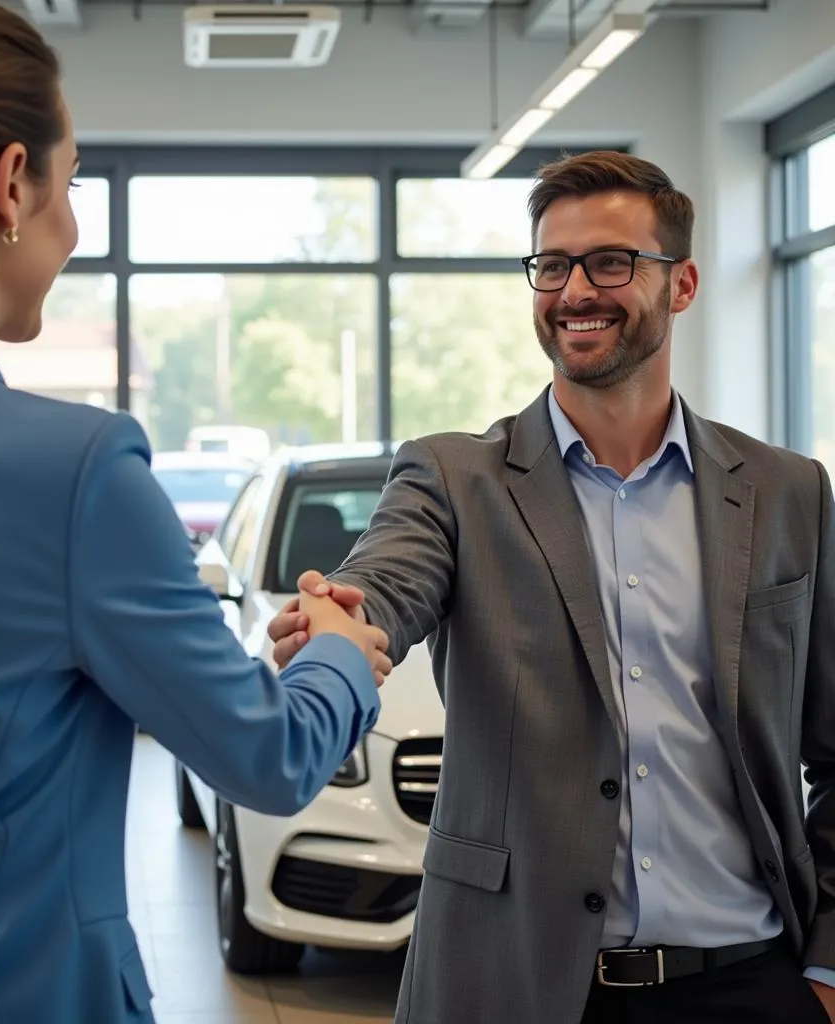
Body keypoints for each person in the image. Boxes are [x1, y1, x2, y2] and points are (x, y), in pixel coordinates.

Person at [0, 1, 394, 1021]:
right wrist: (341, 650)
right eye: (70, 182)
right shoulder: (70, 471)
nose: (72, 223)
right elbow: (268, 756)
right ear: (9, 185)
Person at [269, 150, 835, 1024]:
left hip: (749, 981)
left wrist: (827, 971)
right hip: (518, 983)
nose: (575, 290)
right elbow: (385, 580)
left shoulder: (788, 492)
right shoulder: (454, 479)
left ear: (680, 285)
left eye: (611, 262)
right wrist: (345, 620)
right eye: (552, 265)